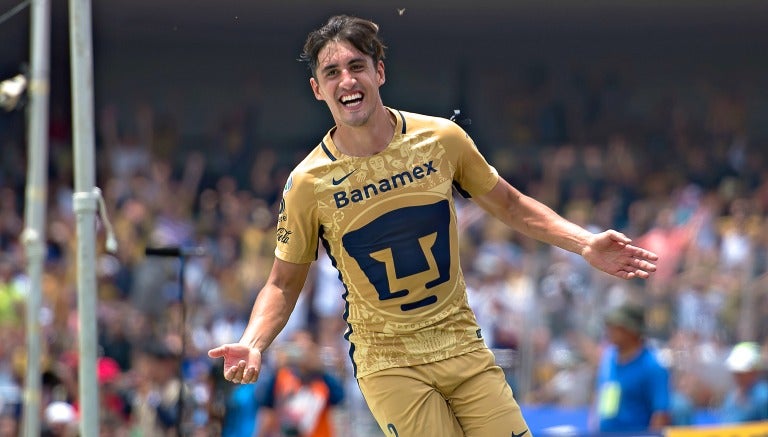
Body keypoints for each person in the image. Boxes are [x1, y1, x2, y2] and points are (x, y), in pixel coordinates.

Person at [208, 14, 659, 436]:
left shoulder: (441, 139)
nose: (347, 80)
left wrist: (584, 243)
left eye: (357, 66)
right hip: (388, 361)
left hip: (462, 344)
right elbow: (283, 283)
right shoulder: (308, 182)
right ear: (317, 89)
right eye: (332, 72)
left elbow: (510, 203)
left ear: (379, 72)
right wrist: (254, 342)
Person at [595, 302, 670, 433]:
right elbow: (600, 398)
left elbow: (661, 414)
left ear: (632, 330)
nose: (609, 331)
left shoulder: (652, 366)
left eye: (616, 327)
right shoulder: (608, 358)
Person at [254, 330, 344, 437]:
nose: (303, 353)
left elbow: (339, 397)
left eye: (308, 348)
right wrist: (278, 367)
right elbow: (265, 403)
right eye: (298, 347)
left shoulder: (322, 380)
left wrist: (319, 368)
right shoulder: (282, 376)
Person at [718, 341, 768, 423]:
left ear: (754, 371)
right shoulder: (731, 397)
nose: (737, 376)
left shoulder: (763, 397)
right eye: (735, 372)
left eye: (741, 372)